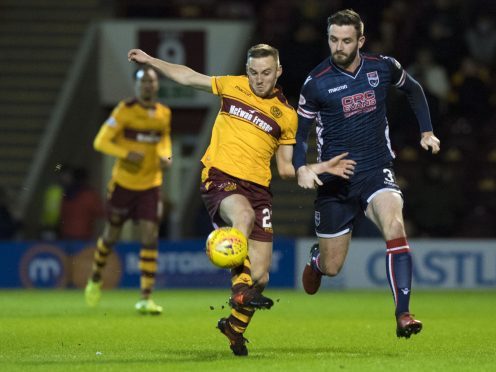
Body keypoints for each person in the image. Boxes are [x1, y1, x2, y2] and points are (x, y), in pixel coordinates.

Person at [128, 44, 354, 356]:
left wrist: (317, 167)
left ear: (278, 72)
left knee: (260, 276)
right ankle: (238, 292)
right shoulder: (231, 86)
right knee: (243, 217)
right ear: (246, 71)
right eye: (252, 72)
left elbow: (287, 168)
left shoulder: (287, 116)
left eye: (265, 73)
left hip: (259, 190)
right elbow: (188, 77)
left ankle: (233, 327)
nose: (258, 80)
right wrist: (151, 60)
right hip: (220, 177)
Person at [293, 9, 441, 340]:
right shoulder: (315, 83)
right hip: (336, 181)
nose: (339, 47)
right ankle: (318, 262)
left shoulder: (382, 66)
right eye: (333, 39)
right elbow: (298, 135)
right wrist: (302, 167)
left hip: (376, 170)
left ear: (360, 40)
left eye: (346, 40)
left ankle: (403, 313)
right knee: (333, 268)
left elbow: (414, 90)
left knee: (395, 225)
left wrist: (426, 132)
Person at [84, 66, 172, 315]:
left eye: (152, 81)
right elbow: (100, 141)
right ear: (136, 85)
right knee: (111, 236)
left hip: (151, 184)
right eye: (144, 81)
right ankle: (95, 276)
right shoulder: (124, 111)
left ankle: (146, 297)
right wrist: (125, 153)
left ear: (157, 85)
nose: (148, 85)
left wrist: (167, 155)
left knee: (149, 236)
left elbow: (164, 139)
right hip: (123, 184)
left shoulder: (164, 113)